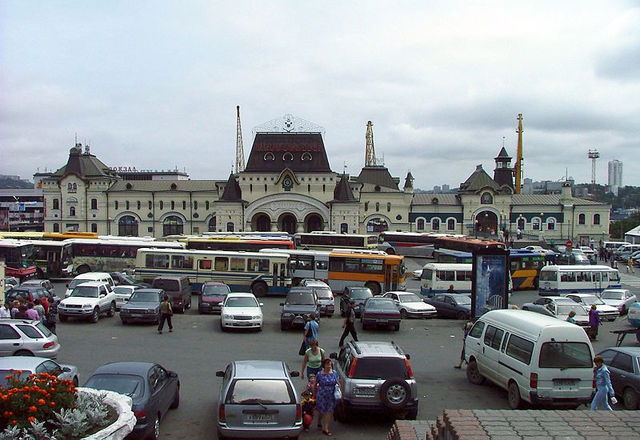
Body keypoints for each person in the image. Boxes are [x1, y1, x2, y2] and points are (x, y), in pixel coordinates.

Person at [314, 358, 342, 436]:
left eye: (330, 364)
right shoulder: (320, 374)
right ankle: (319, 421)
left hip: (331, 394)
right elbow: (315, 384)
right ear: (324, 365)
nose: (329, 366)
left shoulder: (334, 373)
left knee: (329, 410)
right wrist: (314, 394)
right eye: (327, 364)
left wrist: (340, 393)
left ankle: (326, 428)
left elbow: (338, 383)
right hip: (322, 394)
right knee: (321, 410)